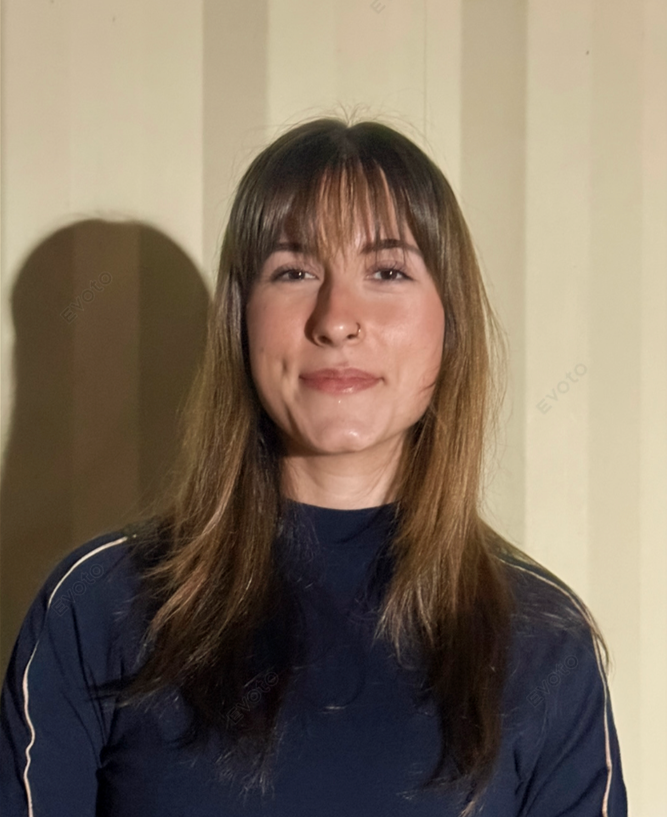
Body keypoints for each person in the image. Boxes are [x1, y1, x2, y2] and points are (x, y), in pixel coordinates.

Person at [0, 115, 627, 817]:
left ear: (449, 324)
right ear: (241, 320)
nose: (336, 319)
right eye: (293, 271)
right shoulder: (99, 604)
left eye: (387, 271)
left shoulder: (544, 639)